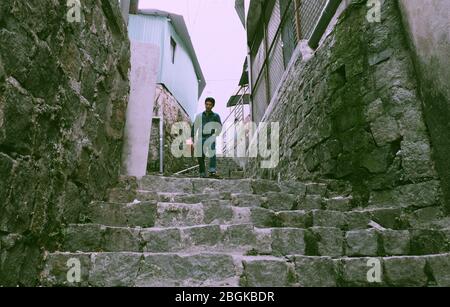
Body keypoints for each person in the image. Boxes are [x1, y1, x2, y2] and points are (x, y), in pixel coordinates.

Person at [190, 97, 222, 178]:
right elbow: (194, 127)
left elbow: (219, 127)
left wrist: (216, 134)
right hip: (201, 137)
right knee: (200, 155)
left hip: (210, 137)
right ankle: (202, 172)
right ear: (205, 104)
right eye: (206, 104)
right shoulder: (199, 116)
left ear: (213, 106)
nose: (208, 106)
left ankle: (212, 171)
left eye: (210, 105)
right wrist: (192, 139)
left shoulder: (215, 116)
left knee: (212, 152)